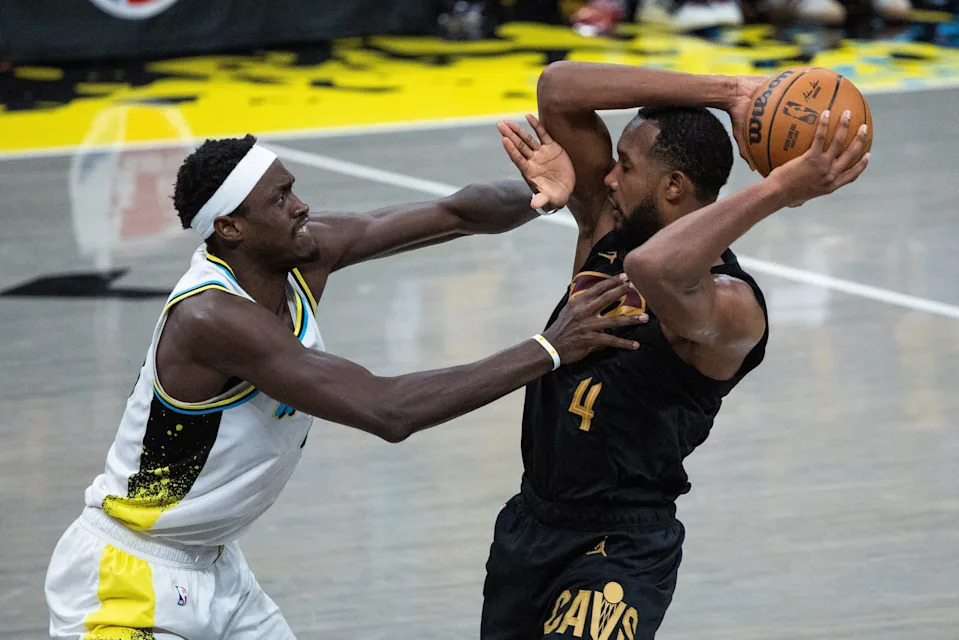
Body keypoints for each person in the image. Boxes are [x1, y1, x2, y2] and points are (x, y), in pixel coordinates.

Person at [43, 132, 649, 639]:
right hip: (126, 582)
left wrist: (542, 195)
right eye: (281, 198)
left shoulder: (303, 254)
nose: (301, 206)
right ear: (230, 227)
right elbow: (387, 410)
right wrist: (549, 348)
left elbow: (455, 213)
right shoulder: (211, 319)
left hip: (216, 568)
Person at [482, 62, 869, 639]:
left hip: (620, 546)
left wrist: (779, 188)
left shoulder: (731, 306)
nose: (609, 178)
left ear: (672, 187)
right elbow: (560, 88)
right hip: (530, 525)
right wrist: (732, 92)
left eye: (626, 166)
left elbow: (656, 267)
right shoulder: (608, 227)